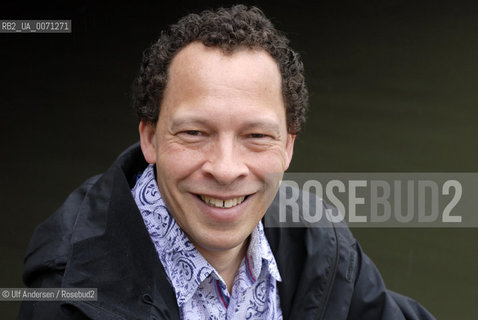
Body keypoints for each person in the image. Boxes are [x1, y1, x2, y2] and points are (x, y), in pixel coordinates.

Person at [19, 5, 435, 320]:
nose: (225, 168)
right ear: (149, 138)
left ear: (288, 147)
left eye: (256, 136)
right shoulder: (67, 295)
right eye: (195, 133)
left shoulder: (320, 247)